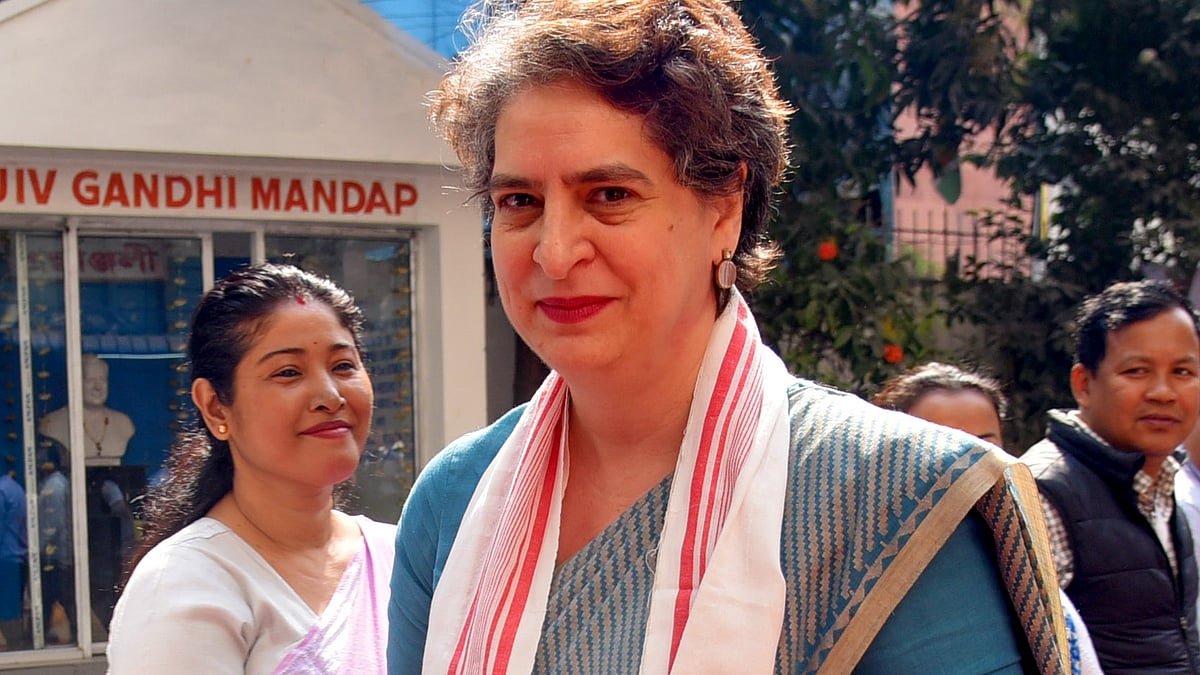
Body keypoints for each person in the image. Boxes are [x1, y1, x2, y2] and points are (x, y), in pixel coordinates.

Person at [388, 2, 1068, 673]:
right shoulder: (455, 499)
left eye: (610, 195)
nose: (555, 251)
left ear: (725, 208)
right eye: (520, 202)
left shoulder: (898, 503)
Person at [106, 263, 395, 674]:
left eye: (343, 366)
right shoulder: (188, 583)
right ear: (215, 406)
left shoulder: (400, 556)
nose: (330, 396)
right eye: (288, 372)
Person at [875, 362, 1103, 675]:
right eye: (942, 449)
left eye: (984, 447)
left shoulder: (1028, 575)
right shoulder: (862, 592)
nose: (968, 467)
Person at [1023, 279, 1200, 674]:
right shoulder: (1044, 493)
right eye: (1137, 371)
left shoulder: (1164, 487)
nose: (1163, 392)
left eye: (1183, 371)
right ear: (1084, 384)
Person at [39, 354, 136, 466]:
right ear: (75, 383)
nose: (98, 387)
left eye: (102, 380)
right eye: (90, 380)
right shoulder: (53, 423)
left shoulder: (123, 423)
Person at [0, 458, 27, 649]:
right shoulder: (15, 487)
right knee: (14, 605)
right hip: (20, 554)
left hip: (5, 557)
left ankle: (14, 646)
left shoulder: (1, 491)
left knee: (7, 607)